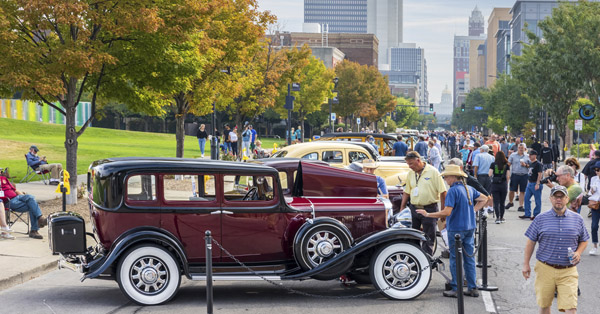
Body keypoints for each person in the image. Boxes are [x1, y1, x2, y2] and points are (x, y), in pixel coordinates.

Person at [416, 165, 487, 298]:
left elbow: (447, 212)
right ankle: (472, 287)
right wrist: (473, 211)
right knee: (469, 258)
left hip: (456, 229)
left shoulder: (453, 191)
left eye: (446, 176)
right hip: (469, 227)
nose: (445, 179)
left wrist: (428, 214)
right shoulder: (469, 189)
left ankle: (456, 286)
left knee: (455, 259)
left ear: (453, 177)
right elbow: (484, 199)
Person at [522, 185, 589, 314]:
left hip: (568, 270)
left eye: (562, 197)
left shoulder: (577, 219)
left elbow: (584, 239)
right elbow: (530, 242)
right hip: (545, 268)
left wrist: (578, 252)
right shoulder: (540, 219)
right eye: (555, 197)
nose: (559, 200)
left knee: (571, 308)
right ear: (550, 198)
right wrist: (526, 264)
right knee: (544, 305)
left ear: (567, 199)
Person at [399, 151, 447, 256]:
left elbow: (443, 192)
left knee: (429, 237)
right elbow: (407, 192)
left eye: (411, 163)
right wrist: (402, 207)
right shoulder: (411, 173)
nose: (409, 166)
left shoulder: (433, 172)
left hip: (429, 209)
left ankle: (427, 259)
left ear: (418, 160)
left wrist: (443, 212)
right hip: (414, 208)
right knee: (413, 235)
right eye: (408, 164)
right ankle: (415, 258)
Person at [520, 150, 543, 220]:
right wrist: (525, 165)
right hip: (530, 183)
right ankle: (527, 213)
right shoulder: (531, 163)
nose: (529, 156)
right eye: (529, 155)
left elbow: (540, 174)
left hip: (535, 183)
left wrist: (538, 183)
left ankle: (536, 214)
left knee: (537, 200)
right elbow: (529, 168)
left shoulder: (538, 164)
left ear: (535, 155)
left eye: (531, 155)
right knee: (526, 198)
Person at [488, 151, 510, 224]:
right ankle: (502, 217)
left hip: (495, 184)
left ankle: (497, 218)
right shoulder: (506, 165)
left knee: (496, 202)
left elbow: (490, 174)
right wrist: (506, 184)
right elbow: (508, 176)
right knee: (502, 202)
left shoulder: (493, 164)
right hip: (503, 184)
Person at [507, 143, 529, 212]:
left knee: (522, 191)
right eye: (519, 148)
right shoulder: (513, 155)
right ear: (517, 148)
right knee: (512, 190)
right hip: (515, 174)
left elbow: (530, 165)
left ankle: (521, 205)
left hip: (524, 175)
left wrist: (525, 165)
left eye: (522, 148)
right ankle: (510, 202)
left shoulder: (527, 156)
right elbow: (508, 164)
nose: (521, 149)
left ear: (525, 149)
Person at [587, 160, 600, 256]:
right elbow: (589, 193)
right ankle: (595, 246)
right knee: (594, 226)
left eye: (598, 170)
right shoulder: (594, 179)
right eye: (596, 170)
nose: (597, 172)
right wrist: (591, 190)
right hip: (595, 204)